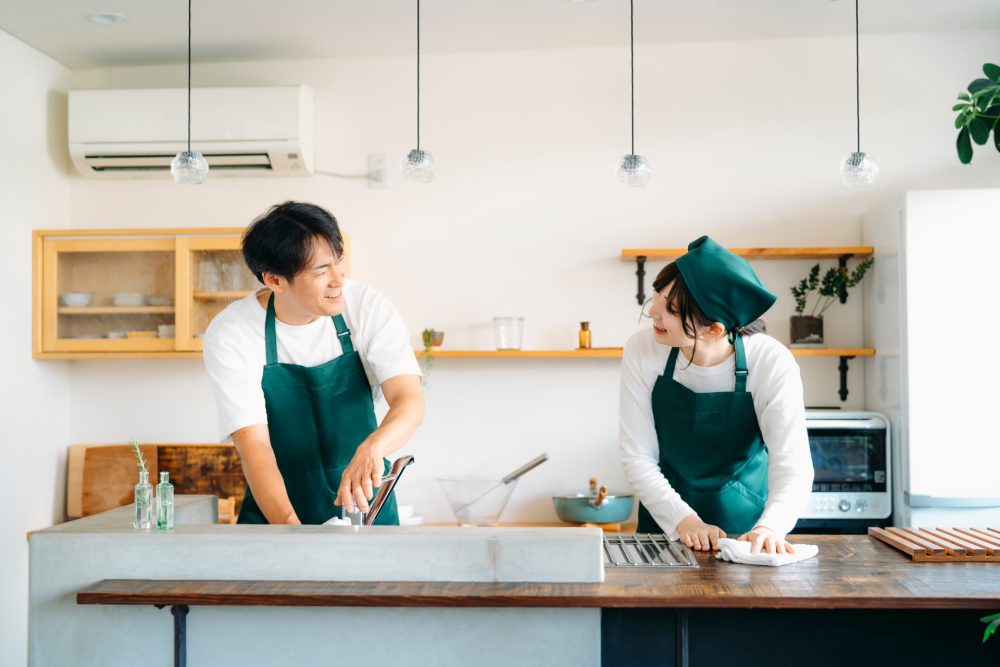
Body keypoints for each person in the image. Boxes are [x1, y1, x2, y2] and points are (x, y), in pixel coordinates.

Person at [203, 201, 424, 525]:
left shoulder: (366, 307)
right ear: (275, 280)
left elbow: (410, 401)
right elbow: (255, 449)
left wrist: (373, 448)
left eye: (339, 262)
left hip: (365, 512)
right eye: (321, 271)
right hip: (275, 515)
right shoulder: (233, 333)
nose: (338, 280)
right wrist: (293, 536)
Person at [619, 236, 813, 554]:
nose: (653, 312)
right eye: (656, 295)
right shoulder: (642, 349)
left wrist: (770, 526)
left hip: (747, 532)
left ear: (713, 330)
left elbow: (792, 464)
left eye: (669, 308)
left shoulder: (770, 361)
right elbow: (637, 456)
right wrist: (683, 521)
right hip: (665, 526)